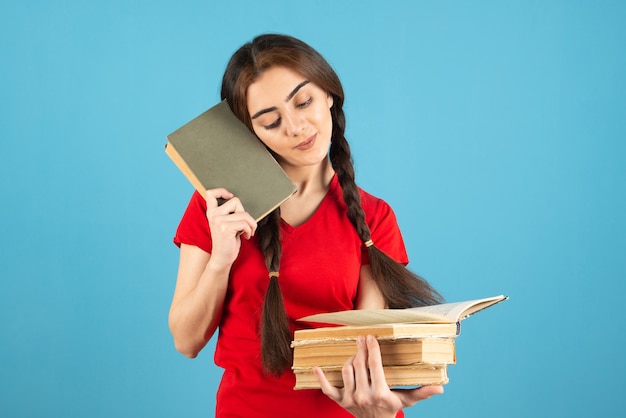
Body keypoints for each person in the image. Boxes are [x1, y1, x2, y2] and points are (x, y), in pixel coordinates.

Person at [168, 33, 444, 418]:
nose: (297, 127)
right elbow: (186, 340)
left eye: (304, 101)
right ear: (251, 133)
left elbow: (366, 348)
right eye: (271, 121)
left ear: (329, 93)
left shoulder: (374, 218)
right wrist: (220, 261)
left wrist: (379, 411)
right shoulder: (217, 207)